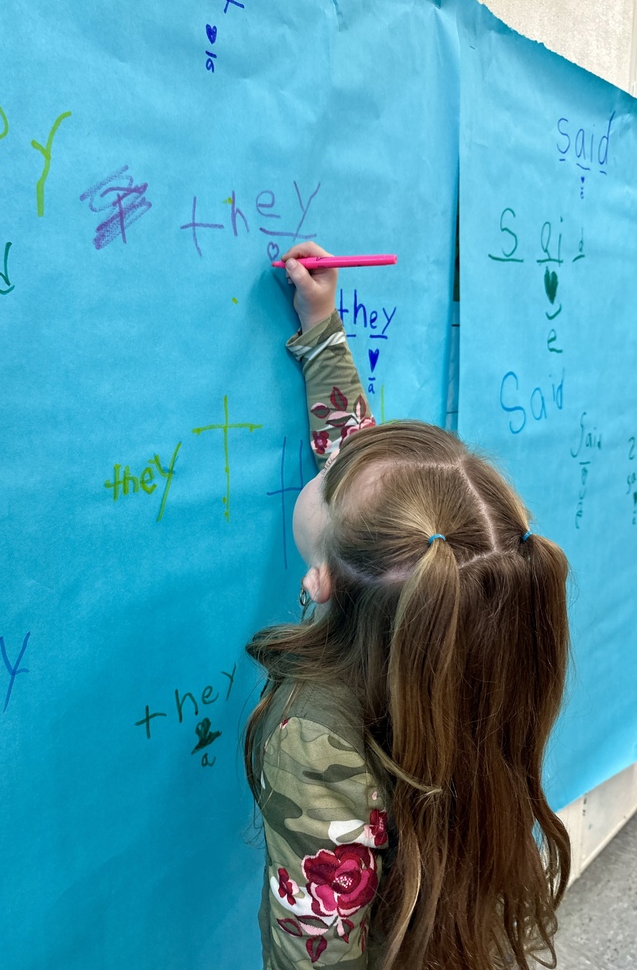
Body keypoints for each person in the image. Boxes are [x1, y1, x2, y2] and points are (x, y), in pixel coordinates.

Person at [244, 242, 571, 970]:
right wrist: (322, 326)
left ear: (322, 582)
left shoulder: (314, 739)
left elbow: (319, 951)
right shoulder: (453, 614)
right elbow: (361, 468)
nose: (335, 462)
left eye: (331, 480)